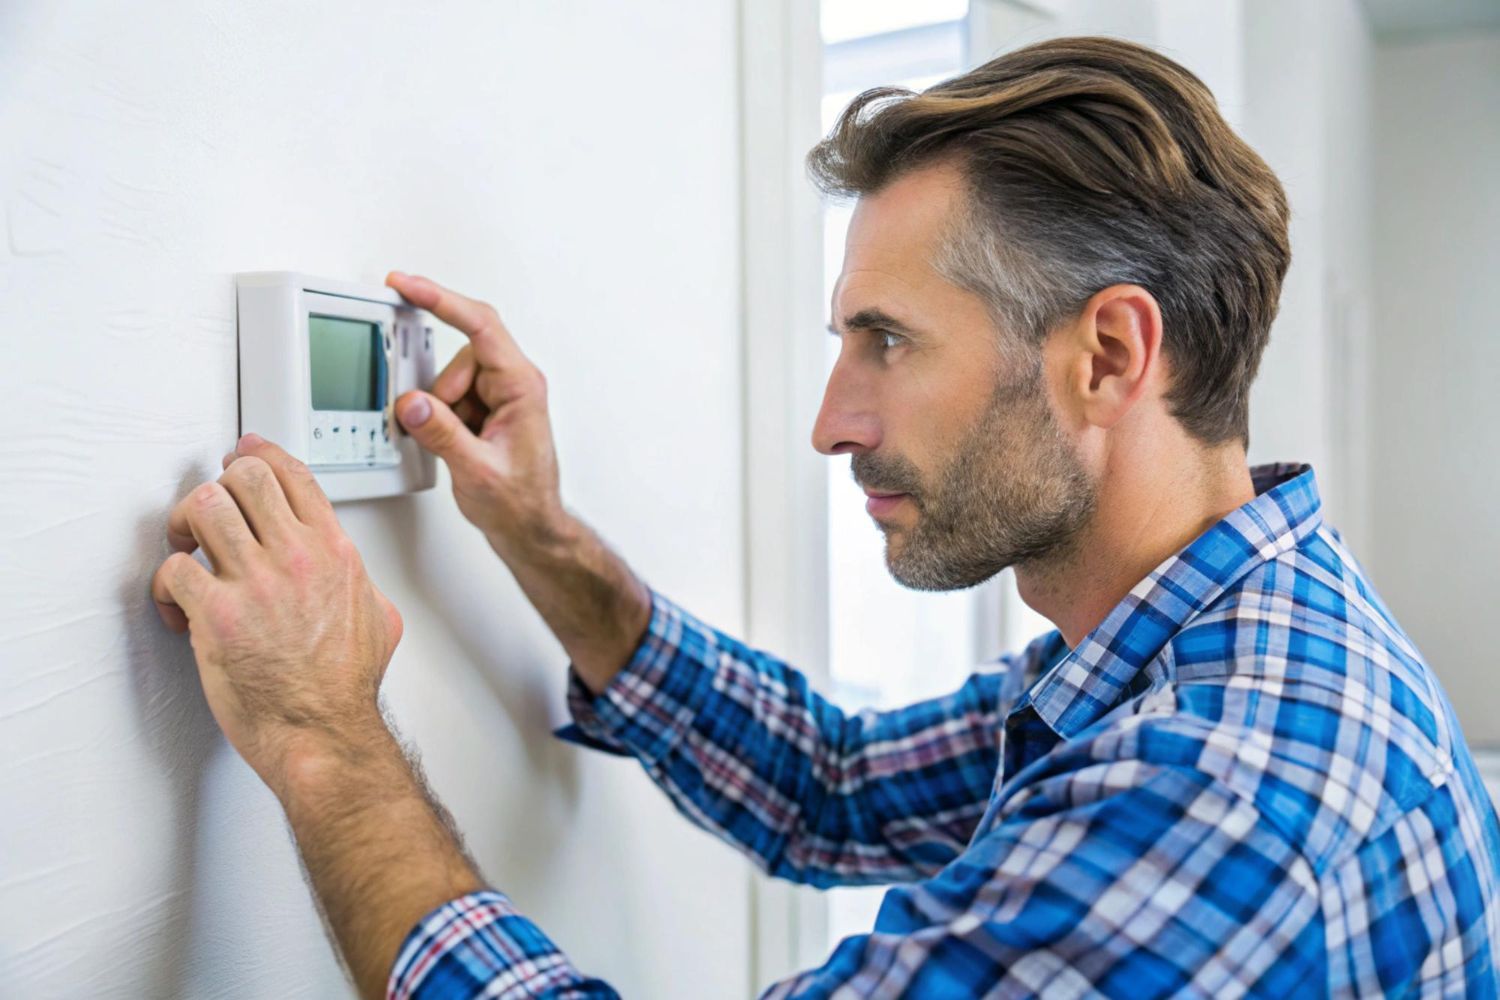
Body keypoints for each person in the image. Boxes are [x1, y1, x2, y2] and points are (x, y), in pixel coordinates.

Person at [151, 36, 1500, 999]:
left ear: (1108, 356)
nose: (832, 421)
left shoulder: (1216, 800)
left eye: (888, 342)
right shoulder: (1201, 637)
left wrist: (330, 746)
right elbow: (831, 783)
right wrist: (543, 539)